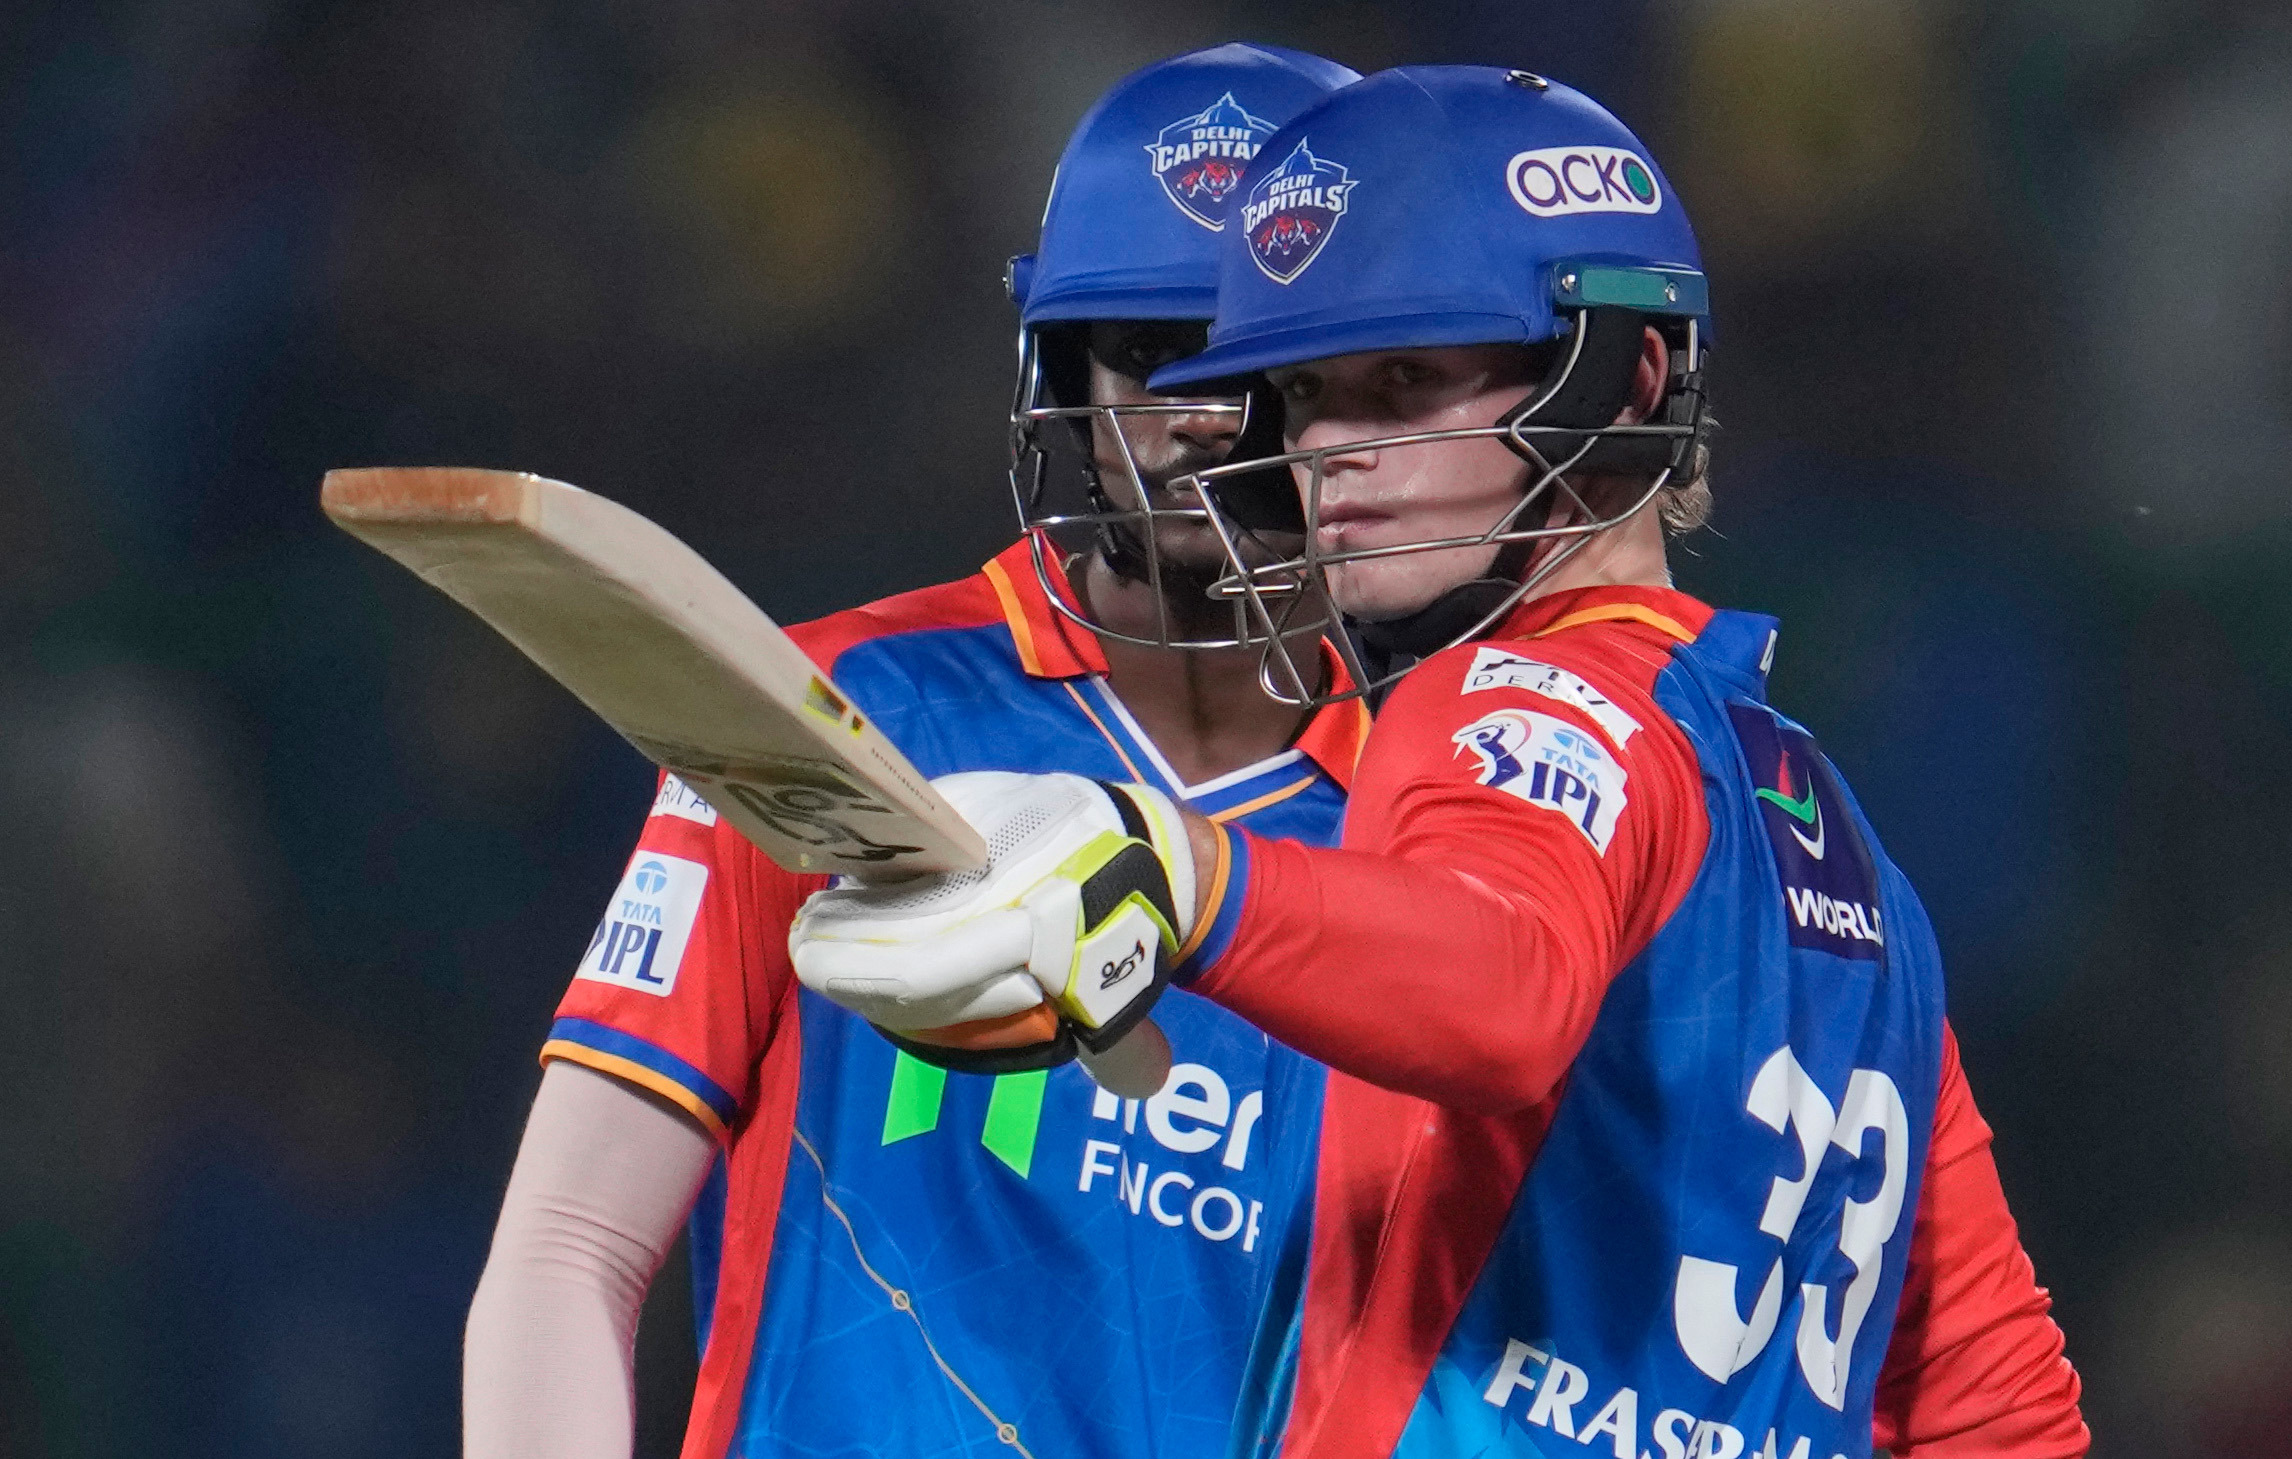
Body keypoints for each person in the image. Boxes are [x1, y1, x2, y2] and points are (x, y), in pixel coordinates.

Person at [790, 67, 2090, 1457]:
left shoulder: (1506, 695)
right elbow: (1992, 1400)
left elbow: (1500, 985)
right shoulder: (1847, 859)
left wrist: (1181, 871)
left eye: (1402, 382)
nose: (1329, 458)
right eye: (1306, 395)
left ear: (1625, 374)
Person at [462, 43, 1365, 1459]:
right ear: (1062, 371)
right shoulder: (829, 704)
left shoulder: (1458, 815)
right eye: (1155, 350)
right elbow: (571, 1242)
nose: (1209, 412)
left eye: (1272, 358)